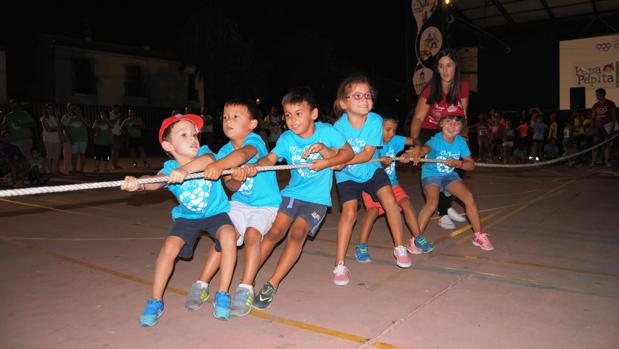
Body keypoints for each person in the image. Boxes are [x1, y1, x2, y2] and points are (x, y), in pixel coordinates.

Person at [121, 113, 237, 326]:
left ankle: (222, 294)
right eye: (184, 134)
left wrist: (184, 170)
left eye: (194, 134)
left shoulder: (204, 153)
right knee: (169, 247)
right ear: (168, 145)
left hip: (215, 213)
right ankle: (155, 301)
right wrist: (138, 183)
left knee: (229, 235)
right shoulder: (168, 169)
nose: (193, 138)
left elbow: (209, 161)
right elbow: (154, 181)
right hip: (187, 218)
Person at [251, 86, 354, 308]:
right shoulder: (287, 138)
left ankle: (272, 284)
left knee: (297, 235)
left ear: (313, 114)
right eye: (288, 115)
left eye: (299, 113)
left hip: (316, 200)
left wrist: (325, 160)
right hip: (292, 194)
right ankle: (246, 282)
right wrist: (253, 167)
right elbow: (270, 159)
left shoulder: (326, 132)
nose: (293, 120)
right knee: (274, 233)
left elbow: (348, 153)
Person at [178, 99, 282, 317]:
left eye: (236, 116)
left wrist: (219, 165)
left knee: (253, 236)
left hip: (265, 205)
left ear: (252, 124)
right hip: (240, 203)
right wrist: (237, 178)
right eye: (225, 117)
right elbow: (230, 185)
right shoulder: (224, 150)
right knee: (225, 236)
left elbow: (244, 155)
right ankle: (202, 284)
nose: (228, 121)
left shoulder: (255, 141)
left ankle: (246, 288)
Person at [332, 74, 412, 287]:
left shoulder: (375, 120)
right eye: (357, 95)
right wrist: (334, 162)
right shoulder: (338, 128)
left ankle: (399, 247)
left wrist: (342, 161)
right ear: (343, 103)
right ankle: (340, 264)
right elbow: (334, 154)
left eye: (367, 95)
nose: (364, 99)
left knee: (391, 203)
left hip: (370, 169)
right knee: (349, 213)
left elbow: (367, 154)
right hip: (346, 176)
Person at [411, 106, 494, 251]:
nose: (452, 125)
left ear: (462, 127)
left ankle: (479, 235)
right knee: (432, 203)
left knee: (469, 198)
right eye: (449, 121)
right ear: (441, 123)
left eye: (457, 123)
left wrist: (459, 163)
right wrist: (418, 151)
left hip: (449, 175)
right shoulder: (436, 140)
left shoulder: (460, 142)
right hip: (431, 175)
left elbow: (471, 165)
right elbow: (425, 149)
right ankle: (415, 240)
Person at [355, 114, 433, 263]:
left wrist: (415, 149)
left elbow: (414, 140)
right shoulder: (371, 144)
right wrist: (384, 164)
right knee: (373, 212)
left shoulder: (395, 140)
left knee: (406, 203)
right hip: (372, 185)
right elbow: (373, 166)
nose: (391, 134)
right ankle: (361, 246)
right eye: (388, 130)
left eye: (394, 130)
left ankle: (418, 238)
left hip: (393, 184)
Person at [410, 48, 469, 230]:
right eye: (441, 66)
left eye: (449, 65)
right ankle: (443, 212)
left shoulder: (463, 87)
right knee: (438, 170)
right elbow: (418, 118)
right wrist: (416, 141)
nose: (445, 70)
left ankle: (446, 204)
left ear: (455, 67)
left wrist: (464, 138)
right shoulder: (430, 89)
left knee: (459, 167)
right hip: (429, 131)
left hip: (450, 131)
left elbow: (463, 116)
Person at [1, 99, 35, 165]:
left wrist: (21, 124)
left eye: (15, 105)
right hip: (15, 141)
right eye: (12, 105)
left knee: (28, 157)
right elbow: (2, 127)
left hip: (26, 140)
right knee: (18, 158)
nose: (14, 106)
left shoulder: (24, 113)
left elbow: (33, 124)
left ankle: (32, 173)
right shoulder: (8, 116)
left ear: (19, 105)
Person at [590, 88, 617, 167]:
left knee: (607, 145)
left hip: (607, 127)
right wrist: (592, 127)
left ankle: (606, 162)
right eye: (596, 94)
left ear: (603, 94)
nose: (596, 96)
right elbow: (593, 117)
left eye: (598, 94)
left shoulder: (610, 103)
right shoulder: (595, 105)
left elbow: (614, 116)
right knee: (595, 145)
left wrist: (612, 128)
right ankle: (593, 162)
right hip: (598, 127)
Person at [63, 105, 90, 175]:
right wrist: (70, 138)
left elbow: (88, 125)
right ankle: (74, 170)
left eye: (79, 110)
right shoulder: (71, 119)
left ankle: (81, 170)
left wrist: (80, 116)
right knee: (74, 155)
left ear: (81, 110)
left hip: (83, 139)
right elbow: (66, 129)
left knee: (82, 155)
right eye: (76, 110)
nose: (77, 111)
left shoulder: (85, 118)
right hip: (74, 139)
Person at [40, 104, 62, 176]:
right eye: (48, 108)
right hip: (48, 139)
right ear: (45, 109)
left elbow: (60, 127)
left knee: (57, 155)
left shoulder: (56, 117)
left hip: (57, 139)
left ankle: (55, 170)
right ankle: (51, 171)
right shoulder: (43, 118)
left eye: (51, 108)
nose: (50, 110)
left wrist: (58, 118)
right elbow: (48, 129)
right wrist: (56, 128)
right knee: (50, 155)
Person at [109, 104, 124, 170]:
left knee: (117, 150)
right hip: (112, 134)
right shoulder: (110, 114)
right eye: (117, 108)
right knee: (113, 150)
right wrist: (117, 117)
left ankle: (117, 164)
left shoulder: (117, 115)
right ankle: (113, 165)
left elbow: (117, 125)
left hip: (118, 134)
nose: (118, 110)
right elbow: (111, 123)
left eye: (119, 109)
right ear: (113, 108)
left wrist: (120, 130)